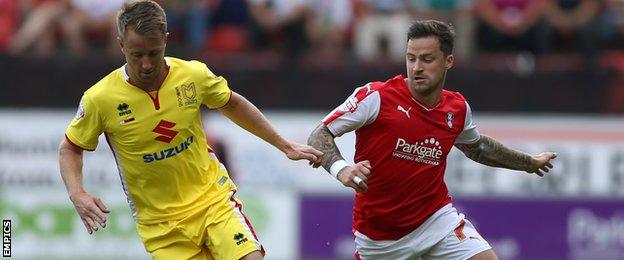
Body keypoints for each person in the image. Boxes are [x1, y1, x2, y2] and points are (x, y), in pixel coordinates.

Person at [58, 1, 322, 259]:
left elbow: (232, 103)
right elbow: (71, 147)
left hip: (212, 202)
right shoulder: (100, 98)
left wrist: (284, 145)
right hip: (162, 227)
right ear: (120, 45)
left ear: (166, 40)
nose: (147, 64)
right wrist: (77, 193)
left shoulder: (193, 75)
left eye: (154, 52)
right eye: (137, 55)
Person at [307, 20, 557, 259]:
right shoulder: (376, 97)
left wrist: (529, 163)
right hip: (380, 240)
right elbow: (319, 134)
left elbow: (477, 147)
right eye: (411, 58)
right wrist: (342, 169)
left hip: (436, 221)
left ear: (448, 61)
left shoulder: (457, 108)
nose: (416, 67)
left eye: (427, 59)